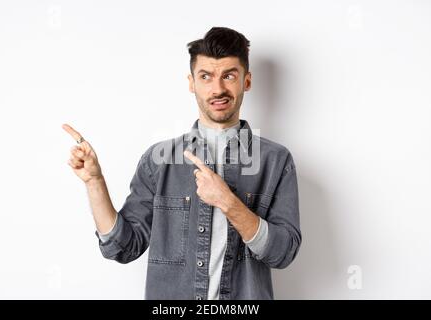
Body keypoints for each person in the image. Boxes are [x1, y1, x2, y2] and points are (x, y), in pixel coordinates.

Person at [62, 26, 301, 300]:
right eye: (206, 76)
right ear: (191, 83)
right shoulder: (158, 160)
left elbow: (284, 253)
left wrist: (229, 203)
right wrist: (95, 182)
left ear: (246, 81)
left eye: (229, 76)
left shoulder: (276, 161)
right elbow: (122, 248)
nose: (218, 88)